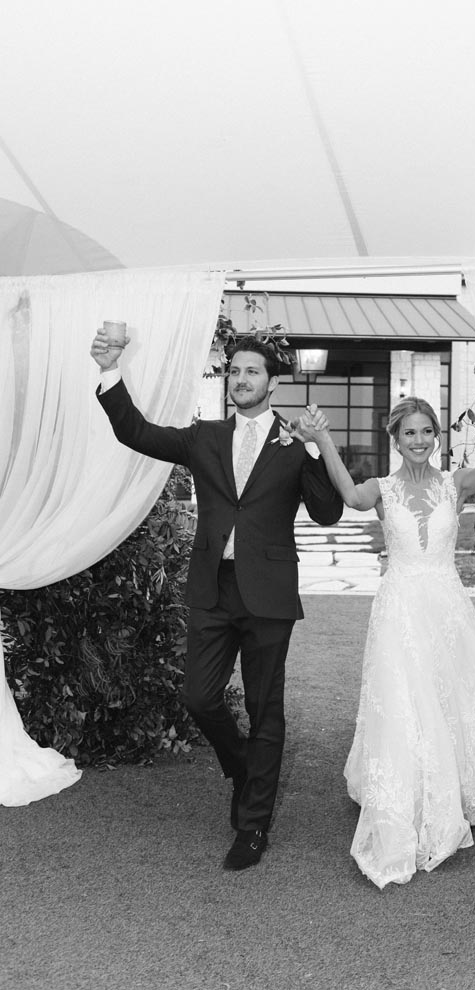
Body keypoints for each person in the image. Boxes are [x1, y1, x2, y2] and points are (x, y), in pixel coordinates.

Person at [295, 389, 475, 889]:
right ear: (395, 440)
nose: (419, 440)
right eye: (409, 433)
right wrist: (323, 440)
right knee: (404, 698)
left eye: (426, 431)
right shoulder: (381, 488)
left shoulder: (456, 484)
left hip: (446, 608)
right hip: (399, 607)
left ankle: (463, 785)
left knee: (458, 693)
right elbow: (352, 499)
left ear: (435, 436)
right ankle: (411, 797)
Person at [90, 329, 343, 871]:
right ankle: (245, 766)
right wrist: (110, 371)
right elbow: (137, 432)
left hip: (269, 595)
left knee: (263, 709)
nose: (241, 379)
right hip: (212, 588)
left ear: (273, 383)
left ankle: (252, 826)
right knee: (199, 698)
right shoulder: (204, 436)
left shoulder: (295, 445)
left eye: (252, 371)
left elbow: (327, 513)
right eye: (235, 371)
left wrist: (319, 447)